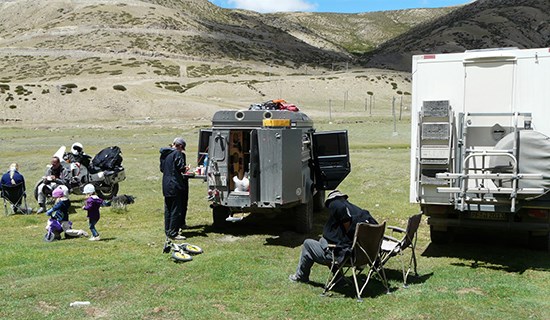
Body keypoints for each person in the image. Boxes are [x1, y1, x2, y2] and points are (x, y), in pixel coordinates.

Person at [289, 190, 378, 283]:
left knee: (308, 244)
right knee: (324, 242)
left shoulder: (337, 206)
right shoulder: (361, 214)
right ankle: (339, 278)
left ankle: (301, 276)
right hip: (366, 255)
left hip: (348, 256)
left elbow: (345, 228)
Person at [159, 137, 189, 241]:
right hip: (174, 184)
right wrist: (186, 169)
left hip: (166, 184)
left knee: (168, 209)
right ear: (180, 146)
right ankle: (173, 232)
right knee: (176, 209)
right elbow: (180, 167)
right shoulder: (177, 153)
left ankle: (168, 231)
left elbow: (162, 169)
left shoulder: (164, 154)